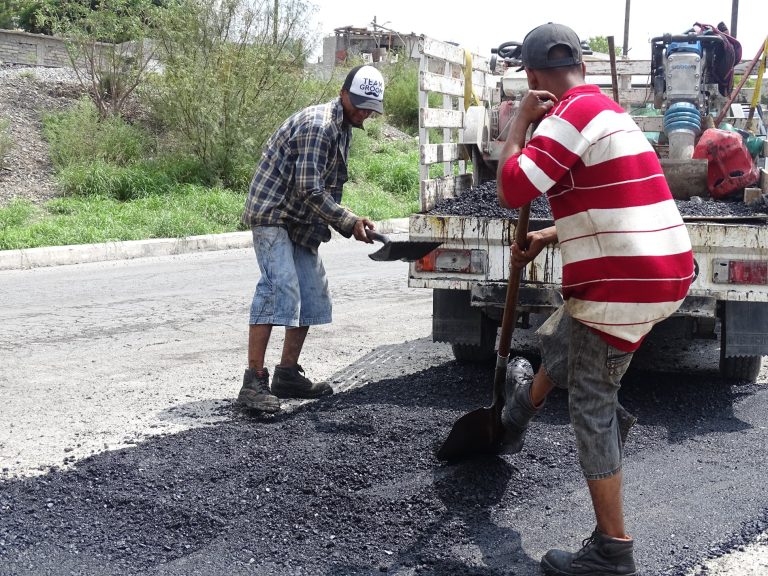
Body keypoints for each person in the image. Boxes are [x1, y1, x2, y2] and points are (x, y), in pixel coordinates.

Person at [496, 23, 695, 576]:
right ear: (579, 65)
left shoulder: (564, 119)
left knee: (591, 400)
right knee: (572, 337)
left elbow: (512, 186)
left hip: (627, 283)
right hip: (664, 269)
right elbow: (616, 202)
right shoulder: (608, 111)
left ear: (534, 77)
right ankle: (515, 416)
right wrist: (546, 235)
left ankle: (613, 550)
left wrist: (518, 123)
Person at [237, 65, 385, 414]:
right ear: (343, 93)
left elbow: (327, 188)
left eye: (370, 108)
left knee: (313, 294)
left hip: (300, 219)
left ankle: (286, 374)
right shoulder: (319, 126)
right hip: (274, 212)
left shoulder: (344, 128)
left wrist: (346, 222)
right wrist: (348, 222)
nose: (363, 112)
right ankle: (253, 382)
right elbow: (308, 188)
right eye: (359, 104)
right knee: (280, 287)